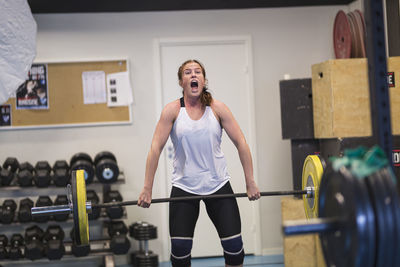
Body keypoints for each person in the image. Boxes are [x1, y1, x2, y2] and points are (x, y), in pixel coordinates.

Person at [138, 59, 260, 267]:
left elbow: (241, 143)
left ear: (203, 80)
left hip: (218, 185)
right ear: (181, 81)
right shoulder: (172, 111)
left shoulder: (218, 109)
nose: (193, 75)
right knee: (180, 253)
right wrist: (147, 188)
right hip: (185, 186)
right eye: (187, 72)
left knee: (234, 249)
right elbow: (155, 149)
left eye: (197, 72)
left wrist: (250, 182)